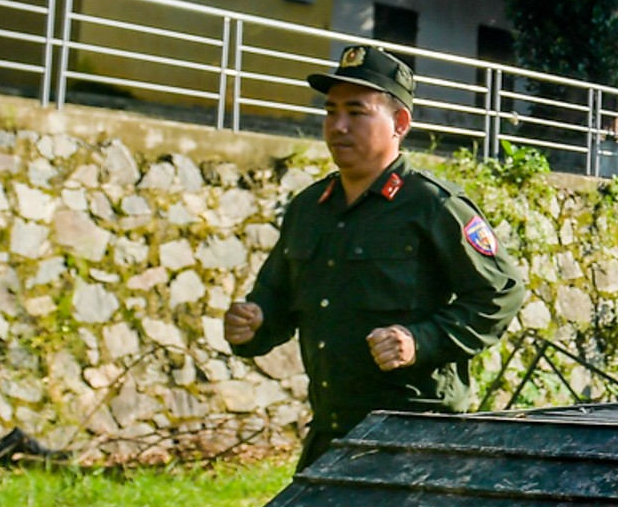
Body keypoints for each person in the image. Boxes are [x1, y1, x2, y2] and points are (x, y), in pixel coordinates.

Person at [223, 45, 524, 467]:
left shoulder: (433, 206)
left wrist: (420, 341)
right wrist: (254, 323)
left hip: (415, 440)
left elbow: (502, 293)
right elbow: (277, 298)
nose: (337, 126)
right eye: (330, 112)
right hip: (330, 432)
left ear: (399, 123)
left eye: (356, 112)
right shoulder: (310, 208)